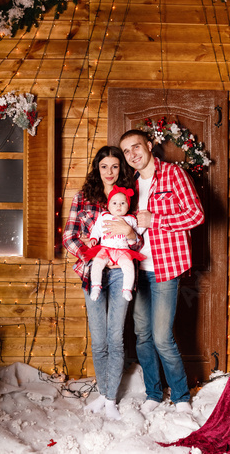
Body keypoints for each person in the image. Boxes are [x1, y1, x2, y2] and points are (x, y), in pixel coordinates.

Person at [119, 129, 205, 417]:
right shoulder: (129, 183)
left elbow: (196, 215)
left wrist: (156, 219)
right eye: (126, 151)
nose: (132, 154)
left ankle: (181, 397)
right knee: (141, 334)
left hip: (166, 267)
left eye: (136, 147)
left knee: (161, 336)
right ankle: (154, 394)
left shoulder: (173, 175)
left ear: (149, 145)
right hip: (136, 268)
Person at [62, 146, 143, 421]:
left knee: (115, 337)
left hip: (122, 271)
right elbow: (69, 238)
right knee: (98, 340)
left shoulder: (128, 199)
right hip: (92, 272)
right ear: (97, 169)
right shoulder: (82, 198)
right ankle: (103, 393)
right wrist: (95, 253)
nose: (110, 172)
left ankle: (110, 399)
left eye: (115, 167)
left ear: (122, 169)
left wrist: (130, 232)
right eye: (104, 166)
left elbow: (139, 240)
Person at [86, 185, 146, 302]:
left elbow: (138, 232)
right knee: (97, 263)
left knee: (129, 266)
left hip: (122, 250)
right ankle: (96, 286)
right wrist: (93, 238)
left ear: (128, 206)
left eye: (123, 203)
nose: (118, 206)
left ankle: (127, 289)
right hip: (106, 248)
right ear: (108, 206)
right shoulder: (104, 216)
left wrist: (132, 238)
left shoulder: (130, 219)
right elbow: (97, 229)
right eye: (114, 203)